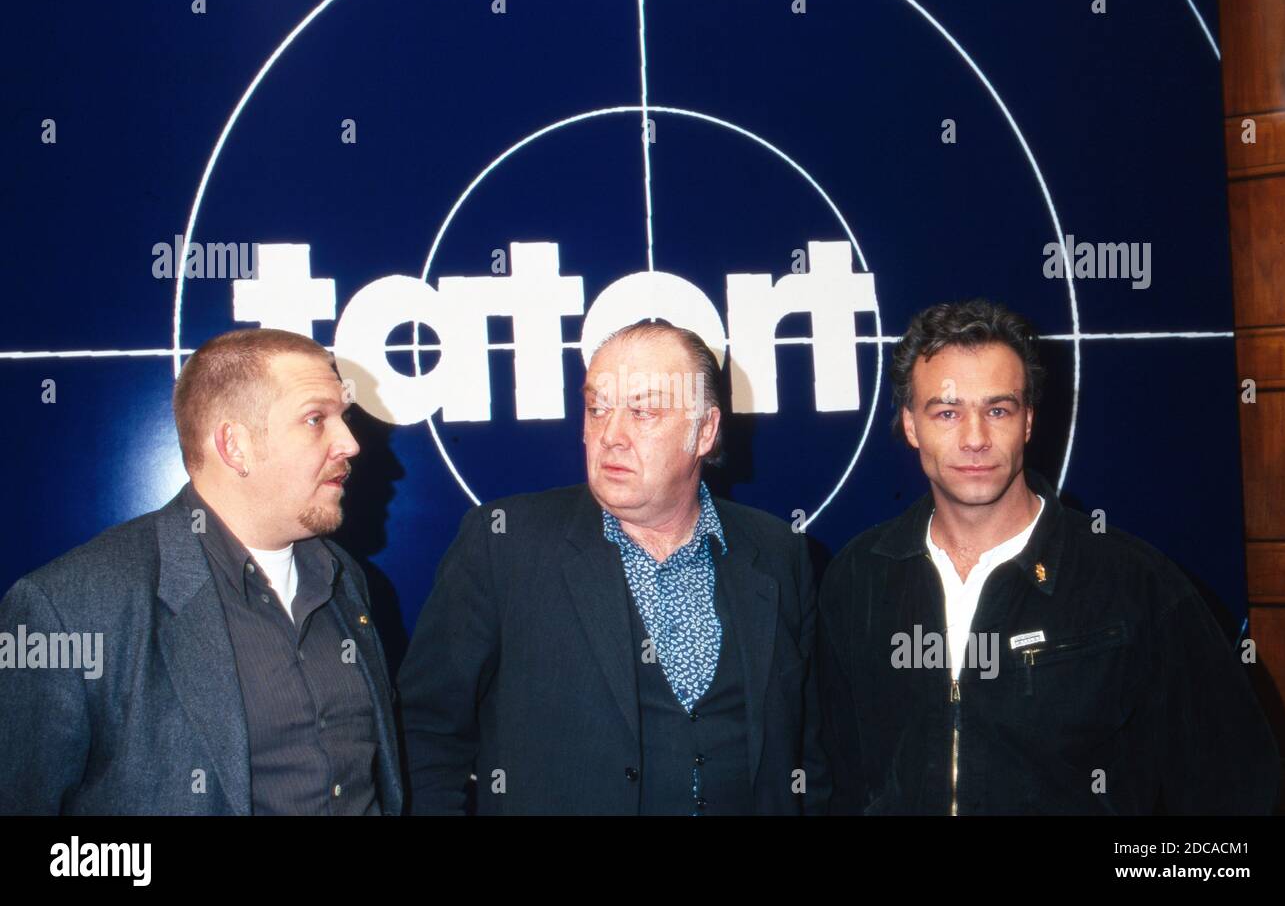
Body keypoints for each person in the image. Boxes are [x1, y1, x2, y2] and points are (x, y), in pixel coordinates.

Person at [819, 299, 1280, 815]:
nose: (975, 439)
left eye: (998, 410)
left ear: (1029, 421)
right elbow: (836, 781)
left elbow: (1236, 788)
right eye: (947, 413)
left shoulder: (1136, 584)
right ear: (910, 426)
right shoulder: (858, 579)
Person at [399, 320, 827, 814]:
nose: (610, 436)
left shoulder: (777, 551)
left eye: (643, 411)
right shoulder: (504, 545)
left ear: (704, 430)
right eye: (597, 408)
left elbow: (807, 752)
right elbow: (426, 735)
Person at [0, 328, 402, 815]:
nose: (350, 443)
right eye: (317, 419)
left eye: (344, 417)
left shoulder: (344, 579)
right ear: (235, 446)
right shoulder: (71, 607)